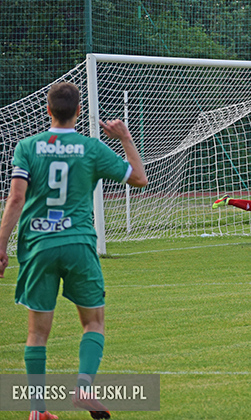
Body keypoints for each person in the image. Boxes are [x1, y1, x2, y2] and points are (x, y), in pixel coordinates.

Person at [0, 82, 148, 419]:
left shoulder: (27, 147)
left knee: (37, 332)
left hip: (39, 247)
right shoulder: (90, 148)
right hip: (79, 243)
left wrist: (1, 245)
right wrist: (124, 136)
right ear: (79, 111)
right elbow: (139, 178)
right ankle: (84, 387)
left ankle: (38, 411)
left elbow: (16, 199)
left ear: (48, 111)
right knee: (93, 323)